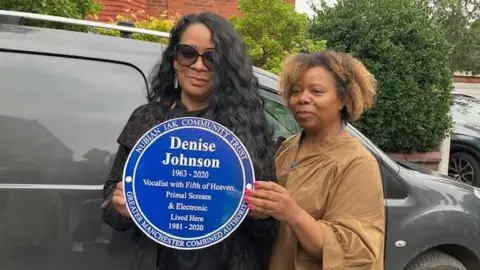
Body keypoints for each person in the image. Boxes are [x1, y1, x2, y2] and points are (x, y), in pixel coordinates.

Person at [101, 12, 277, 270]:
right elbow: (110, 209)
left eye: (212, 57)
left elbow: (267, 227)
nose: (198, 66)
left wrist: (263, 214)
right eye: (188, 53)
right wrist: (120, 207)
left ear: (226, 66)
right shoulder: (146, 120)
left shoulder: (248, 128)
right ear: (174, 60)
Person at [245, 51, 386, 269]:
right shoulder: (289, 147)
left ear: (344, 99)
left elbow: (355, 251)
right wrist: (262, 210)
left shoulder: (357, 162)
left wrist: (293, 214)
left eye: (316, 91)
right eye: (296, 91)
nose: (302, 98)